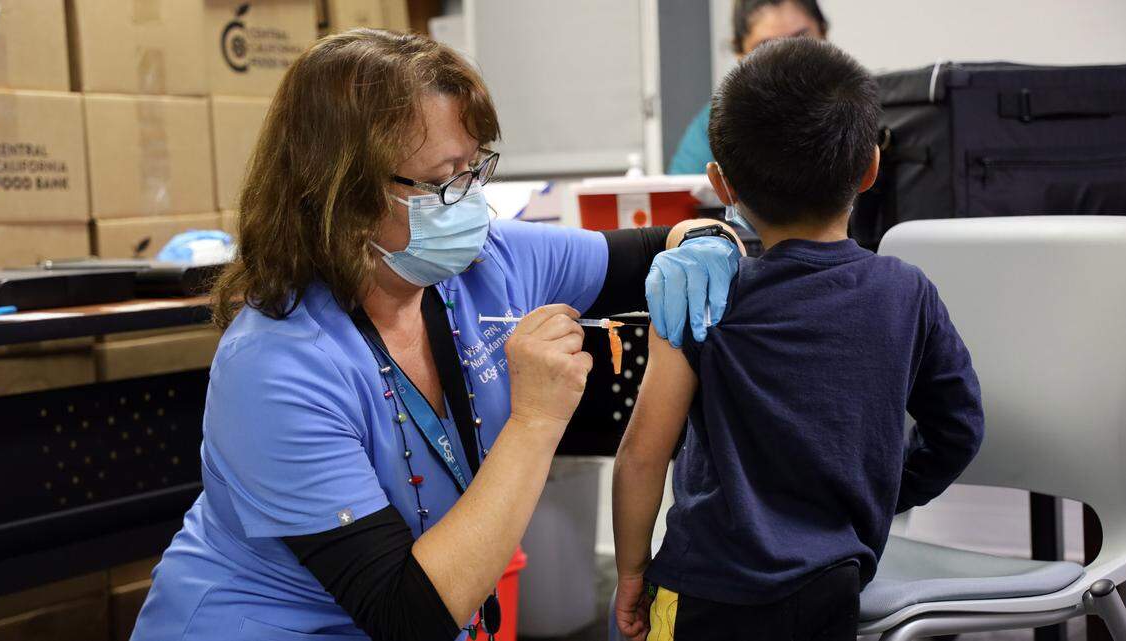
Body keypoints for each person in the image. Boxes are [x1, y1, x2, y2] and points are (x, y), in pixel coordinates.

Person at [129, 29, 742, 641]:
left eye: (476, 169)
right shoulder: (277, 368)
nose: (471, 203)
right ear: (344, 193)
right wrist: (536, 420)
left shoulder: (484, 264)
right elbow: (406, 615)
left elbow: (645, 250)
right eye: (444, 180)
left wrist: (710, 240)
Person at [613, 38, 985, 641]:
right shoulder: (906, 292)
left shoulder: (701, 294)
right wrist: (886, 490)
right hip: (831, 584)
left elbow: (641, 455)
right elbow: (959, 429)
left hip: (702, 589)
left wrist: (631, 576)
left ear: (722, 185)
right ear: (870, 169)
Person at [668, 0, 829, 175]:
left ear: (823, 33)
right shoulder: (718, 125)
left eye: (800, 40)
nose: (787, 60)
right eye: (767, 47)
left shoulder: (856, 107)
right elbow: (679, 196)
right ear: (740, 53)